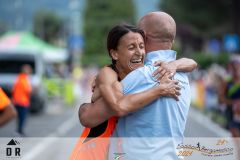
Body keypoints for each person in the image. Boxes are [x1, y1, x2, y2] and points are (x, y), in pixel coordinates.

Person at [12, 64, 32, 136]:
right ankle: (20, 131)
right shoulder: (25, 79)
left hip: (17, 101)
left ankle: (18, 130)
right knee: (22, 117)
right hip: (23, 101)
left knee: (19, 117)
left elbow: (13, 89)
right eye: (28, 69)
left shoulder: (18, 78)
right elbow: (28, 90)